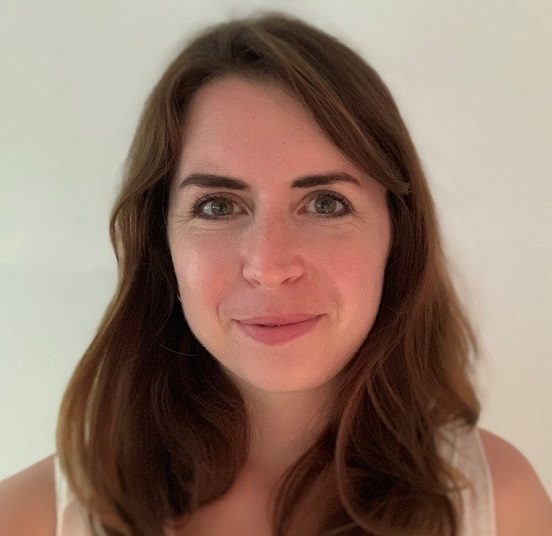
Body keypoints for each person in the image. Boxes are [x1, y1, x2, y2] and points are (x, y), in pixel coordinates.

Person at [1, 13, 551, 536]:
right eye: (218, 206)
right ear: (160, 242)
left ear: (397, 234)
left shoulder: (499, 507)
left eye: (326, 203)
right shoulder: (26, 519)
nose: (269, 265)